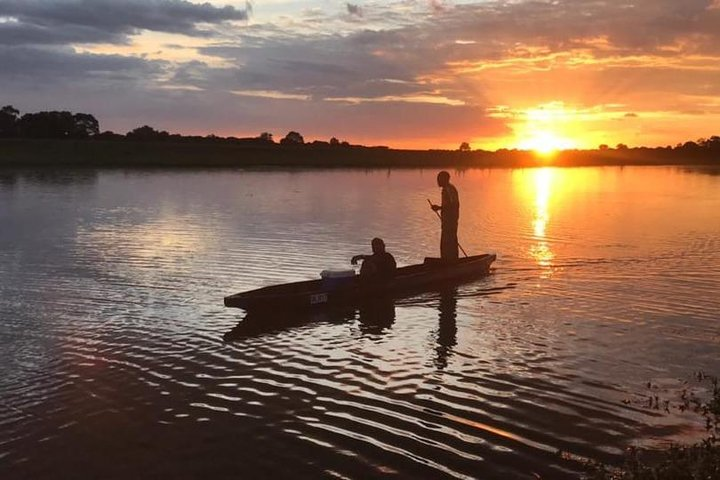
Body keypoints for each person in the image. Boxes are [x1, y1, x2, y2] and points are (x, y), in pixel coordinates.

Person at [430, 170, 460, 260]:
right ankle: (449, 260)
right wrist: (440, 208)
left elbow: (453, 205)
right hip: (447, 221)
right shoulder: (446, 189)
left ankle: (451, 262)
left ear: (445, 179)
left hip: (450, 222)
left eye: (439, 179)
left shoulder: (449, 189)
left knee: (448, 242)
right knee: (448, 243)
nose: (438, 181)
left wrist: (439, 208)